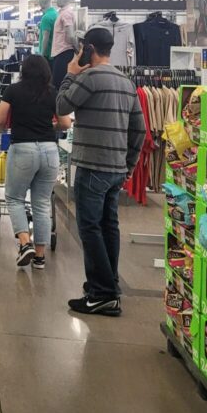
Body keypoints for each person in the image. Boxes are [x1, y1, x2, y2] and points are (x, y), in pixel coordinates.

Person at [55, 27, 145, 316]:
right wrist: (129, 165)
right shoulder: (126, 81)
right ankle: (106, 285)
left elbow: (61, 106)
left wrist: (70, 72)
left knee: (90, 228)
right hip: (116, 167)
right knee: (109, 226)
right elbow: (139, 130)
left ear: (88, 49)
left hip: (93, 166)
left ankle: (104, 293)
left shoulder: (89, 77)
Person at [0, 56, 71, 268]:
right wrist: (49, 126)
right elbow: (65, 123)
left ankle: (24, 243)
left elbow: (0, 120)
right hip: (49, 150)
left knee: (14, 197)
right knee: (42, 203)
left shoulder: (13, 90)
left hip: (23, 149)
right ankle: (39, 256)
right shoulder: (53, 92)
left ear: (23, 70)